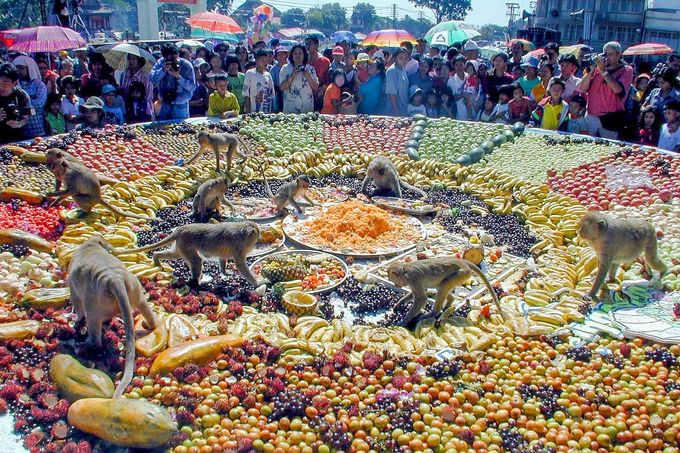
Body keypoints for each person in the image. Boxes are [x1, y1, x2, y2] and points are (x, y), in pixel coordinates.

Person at [578, 41, 634, 139]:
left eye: (610, 54)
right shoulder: (598, 68)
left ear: (618, 54)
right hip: (592, 115)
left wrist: (604, 71)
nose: (607, 57)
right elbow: (582, 88)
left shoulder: (626, 70)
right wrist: (590, 72)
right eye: (605, 54)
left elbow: (617, 89)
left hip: (611, 118)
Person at [150, 43, 197, 121]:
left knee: (182, 128)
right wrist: (162, 70)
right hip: (165, 102)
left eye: (173, 57)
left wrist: (178, 77)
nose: (170, 60)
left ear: (177, 54)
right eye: (167, 57)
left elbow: (192, 87)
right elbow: (152, 79)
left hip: (181, 104)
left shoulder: (186, 65)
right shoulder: (160, 63)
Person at [279, 45, 319, 114]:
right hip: (290, 107)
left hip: (307, 106)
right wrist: (292, 76)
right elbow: (282, 87)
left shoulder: (310, 69)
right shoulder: (285, 68)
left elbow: (315, 88)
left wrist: (308, 76)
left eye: (300, 53)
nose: (297, 55)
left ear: (304, 55)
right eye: (295, 53)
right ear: (292, 55)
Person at [13, 56, 46, 138]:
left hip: (37, 128)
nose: (18, 71)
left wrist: (22, 105)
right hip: (20, 130)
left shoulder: (39, 84)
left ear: (29, 69)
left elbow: (39, 104)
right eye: (16, 68)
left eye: (21, 68)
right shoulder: (14, 84)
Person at [0, 63, 31, 143]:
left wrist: (19, 123)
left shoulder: (22, 96)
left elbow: (28, 115)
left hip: (17, 138)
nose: (1, 86)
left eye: (5, 82)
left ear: (15, 83)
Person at [119, 53, 153, 120]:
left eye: (133, 59)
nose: (130, 61)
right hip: (128, 107)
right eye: (129, 59)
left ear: (139, 60)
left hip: (143, 108)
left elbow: (148, 95)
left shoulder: (146, 76)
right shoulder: (124, 74)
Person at [242, 49, 274, 114]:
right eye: (262, 60)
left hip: (266, 110)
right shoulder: (250, 73)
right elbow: (246, 94)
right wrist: (248, 112)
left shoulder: (268, 75)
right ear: (256, 61)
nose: (265, 62)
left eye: (266, 60)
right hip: (253, 111)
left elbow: (271, 94)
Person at [304, 36, 330, 109]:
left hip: (320, 95)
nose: (307, 46)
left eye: (310, 44)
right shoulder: (303, 60)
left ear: (316, 45)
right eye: (306, 44)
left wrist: (323, 88)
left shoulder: (325, 61)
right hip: (305, 94)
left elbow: (329, 80)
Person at [384, 48, 411, 116]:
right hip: (394, 110)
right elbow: (392, 93)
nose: (403, 61)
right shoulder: (392, 71)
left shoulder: (403, 69)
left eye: (406, 58)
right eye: (401, 58)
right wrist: (395, 110)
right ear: (395, 58)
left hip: (403, 108)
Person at [447, 56, 468, 121]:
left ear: (464, 65)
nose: (459, 68)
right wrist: (462, 95)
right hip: (458, 112)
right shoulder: (451, 80)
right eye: (456, 65)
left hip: (471, 110)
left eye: (461, 65)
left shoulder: (469, 77)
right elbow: (451, 98)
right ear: (454, 66)